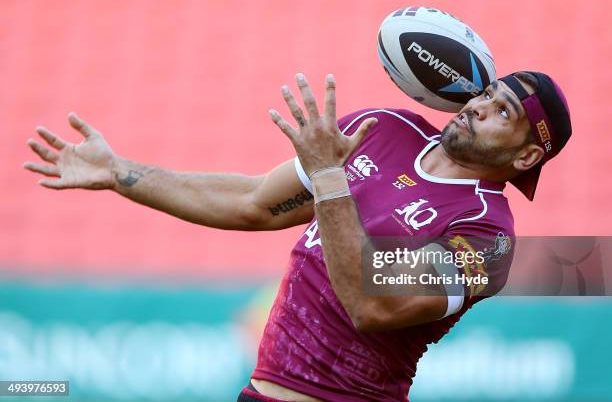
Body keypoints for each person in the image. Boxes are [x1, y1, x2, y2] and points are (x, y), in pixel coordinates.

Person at [24, 70, 571, 401]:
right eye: (488, 93)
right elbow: (253, 203)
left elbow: (372, 304)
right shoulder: (385, 130)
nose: (477, 106)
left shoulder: (488, 238)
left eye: (503, 111)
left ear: (525, 156)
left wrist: (331, 179)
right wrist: (119, 173)